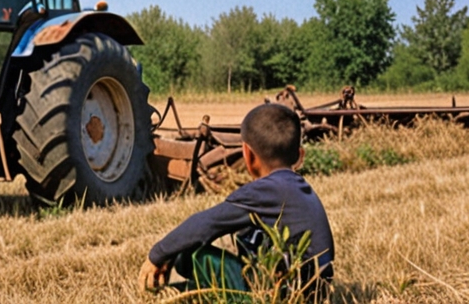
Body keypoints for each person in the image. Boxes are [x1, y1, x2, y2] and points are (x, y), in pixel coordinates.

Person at [138, 102, 334, 299]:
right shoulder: (300, 189)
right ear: (300, 156)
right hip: (314, 295)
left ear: (247, 154)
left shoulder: (264, 191)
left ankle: (182, 293)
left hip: (281, 296)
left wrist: (158, 254)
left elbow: (206, 223)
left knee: (193, 255)